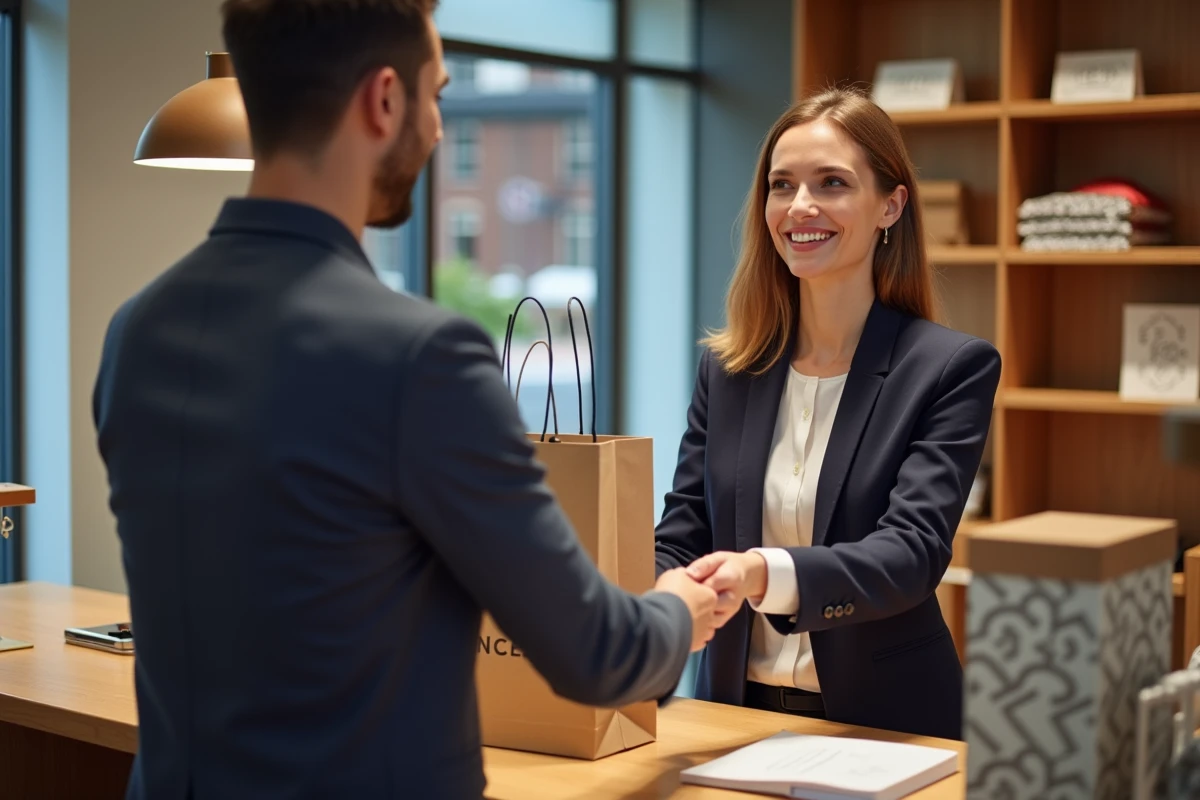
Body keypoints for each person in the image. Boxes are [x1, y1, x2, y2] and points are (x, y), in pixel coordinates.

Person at [92, 2, 718, 798]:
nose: (434, 128)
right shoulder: (420, 357)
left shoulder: (137, 328)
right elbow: (593, 652)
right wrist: (677, 609)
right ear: (385, 100)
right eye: (437, 95)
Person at [654, 87, 1001, 741]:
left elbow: (910, 554)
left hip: (887, 727)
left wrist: (762, 570)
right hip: (729, 714)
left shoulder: (951, 368)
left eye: (832, 183)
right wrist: (652, 597)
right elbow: (682, 534)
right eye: (781, 185)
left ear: (890, 206)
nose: (800, 207)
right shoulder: (728, 371)